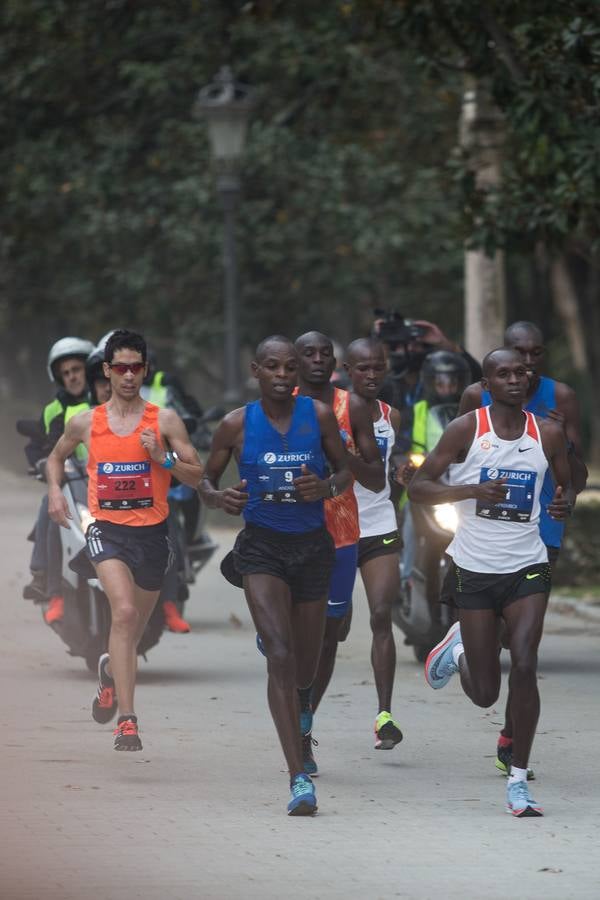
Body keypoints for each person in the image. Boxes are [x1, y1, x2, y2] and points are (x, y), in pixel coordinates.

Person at [408, 348, 572, 817]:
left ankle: (518, 780)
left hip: (527, 566)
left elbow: (567, 483)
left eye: (521, 372)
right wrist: (471, 490)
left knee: (524, 663)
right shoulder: (466, 429)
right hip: (474, 568)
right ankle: (456, 649)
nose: (515, 379)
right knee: (484, 692)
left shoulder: (549, 432)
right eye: (504, 373)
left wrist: (564, 501)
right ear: (487, 383)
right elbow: (420, 488)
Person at [200, 335, 351, 816]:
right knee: (282, 659)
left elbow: (348, 473)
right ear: (256, 370)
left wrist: (324, 486)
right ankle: (298, 778)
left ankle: (277, 639)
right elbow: (206, 481)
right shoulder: (236, 424)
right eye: (273, 367)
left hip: (312, 549)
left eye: (290, 367)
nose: (284, 375)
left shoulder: (319, 417)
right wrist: (220, 498)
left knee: (304, 668)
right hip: (262, 547)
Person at [47, 329, 203, 752]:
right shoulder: (85, 421)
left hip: (152, 534)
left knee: (132, 632)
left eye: (136, 368)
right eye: (121, 368)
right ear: (108, 371)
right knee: (125, 611)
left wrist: (163, 458)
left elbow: (197, 473)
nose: (129, 376)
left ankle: (108, 675)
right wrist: (56, 490)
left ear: (145, 370)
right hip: (107, 531)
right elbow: (56, 457)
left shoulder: (164, 420)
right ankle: (128, 722)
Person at [458, 321, 588, 776]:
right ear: (494, 368)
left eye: (534, 356)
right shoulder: (476, 400)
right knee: (490, 653)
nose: (526, 366)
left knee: (524, 652)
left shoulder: (562, 398)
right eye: (517, 355)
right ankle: (463, 651)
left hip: (540, 531)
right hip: (482, 534)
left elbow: (579, 474)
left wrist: (566, 495)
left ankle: (511, 744)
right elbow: (456, 464)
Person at [294, 331, 386, 775]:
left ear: (334, 361)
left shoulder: (355, 407)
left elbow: (377, 479)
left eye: (324, 353)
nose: (316, 360)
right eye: (307, 353)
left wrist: (342, 458)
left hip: (341, 532)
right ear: (294, 361)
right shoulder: (279, 401)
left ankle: (305, 718)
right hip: (287, 533)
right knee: (288, 631)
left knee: (328, 635)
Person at [343, 337, 404, 750]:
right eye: (362, 368)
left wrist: (401, 480)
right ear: (348, 371)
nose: (370, 375)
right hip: (337, 528)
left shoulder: (391, 416)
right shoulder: (328, 412)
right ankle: (303, 706)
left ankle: (385, 715)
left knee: (382, 614)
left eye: (377, 367)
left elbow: (389, 470)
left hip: (379, 523)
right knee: (336, 627)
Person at [23, 336, 95, 624]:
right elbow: (37, 445)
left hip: (110, 484)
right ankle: (47, 582)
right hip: (71, 483)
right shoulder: (53, 410)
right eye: (65, 373)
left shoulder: (104, 401)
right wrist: (40, 463)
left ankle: (166, 593)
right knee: (51, 506)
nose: (72, 377)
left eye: (76, 369)